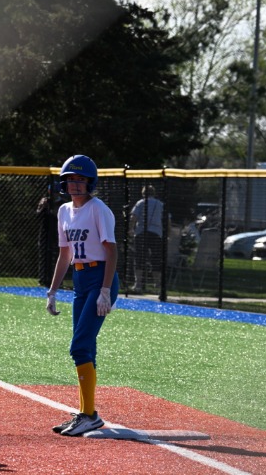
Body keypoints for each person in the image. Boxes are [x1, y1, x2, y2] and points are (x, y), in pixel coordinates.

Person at [46, 154, 119, 437]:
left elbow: (111, 251)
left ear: (91, 182)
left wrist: (105, 290)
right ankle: (87, 413)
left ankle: (89, 415)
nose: (75, 184)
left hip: (100, 278)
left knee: (79, 347)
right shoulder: (64, 211)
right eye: (70, 179)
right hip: (80, 279)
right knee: (87, 348)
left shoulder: (98, 209)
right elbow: (65, 254)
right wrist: (53, 291)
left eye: (80, 179)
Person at [129, 185, 168, 293]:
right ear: (154, 193)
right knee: (156, 258)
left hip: (141, 232)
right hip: (156, 233)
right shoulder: (160, 204)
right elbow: (167, 219)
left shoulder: (141, 203)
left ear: (143, 193)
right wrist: (167, 234)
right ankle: (157, 284)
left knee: (139, 258)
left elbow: (133, 217)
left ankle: (138, 284)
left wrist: (131, 229)